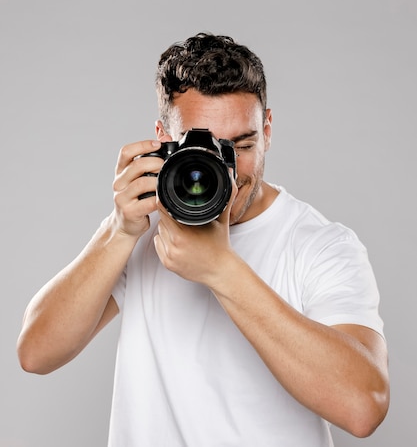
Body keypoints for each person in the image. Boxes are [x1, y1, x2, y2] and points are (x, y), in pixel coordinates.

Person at [17, 32, 390, 446]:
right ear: (163, 139)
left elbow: (363, 407)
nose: (227, 172)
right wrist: (119, 230)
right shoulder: (143, 229)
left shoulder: (320, 244)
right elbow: (36, 353)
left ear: (267, 130)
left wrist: (222, 270)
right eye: (205, 149)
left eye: (241, 145)